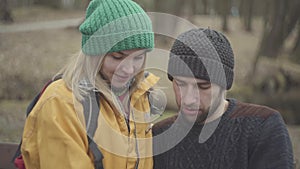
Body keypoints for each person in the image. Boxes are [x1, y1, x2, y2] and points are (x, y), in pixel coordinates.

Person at [20, 0, 159, 168]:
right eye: (117, 57)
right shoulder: (61, 104)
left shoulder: (141, 95)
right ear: (94, 53)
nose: (129, 70)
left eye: (138, 57)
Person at [152, 28, 294, 169]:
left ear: (224, 84)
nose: (188, 99)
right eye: (181, 84)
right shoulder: (159, 135)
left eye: (203, 86)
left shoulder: (263, 127)